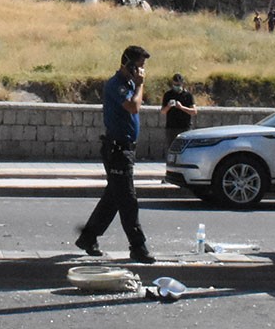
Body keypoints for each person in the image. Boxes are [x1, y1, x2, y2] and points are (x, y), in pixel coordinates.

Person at [75, 44, 156, 264]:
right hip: (117, 149)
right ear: (128, 65)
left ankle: (88, 237)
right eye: (139, 65)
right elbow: (133, 107)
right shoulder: (117, 85)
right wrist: (140, 86)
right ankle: (137, 246)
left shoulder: (129, 83)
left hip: (126, 148)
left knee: (113, 198)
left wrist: (137, 84)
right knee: (128, 199)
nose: (142, 70)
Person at [159, 73, 198, 143]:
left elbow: (194, 112)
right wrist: (168, 106)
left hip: (184, 128)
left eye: (178, 85)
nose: (177, 86)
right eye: (175, 85)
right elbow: (162, 111)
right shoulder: (168, 95)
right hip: (171, 128)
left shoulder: (188, 95)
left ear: (182, 84)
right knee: (171, 149)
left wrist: (181, 107)